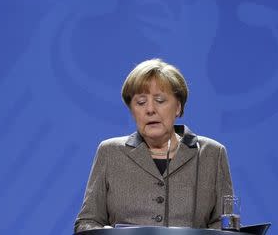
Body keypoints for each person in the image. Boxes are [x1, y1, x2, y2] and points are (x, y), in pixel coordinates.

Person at [74, 58, 233, 233]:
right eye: (141, 103)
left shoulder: (212, 153)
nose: (150, 109)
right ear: (132, 110)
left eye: (160, 100)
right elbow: (86, 223)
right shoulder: (110, 152)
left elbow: (225, 225)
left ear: (178, 107)